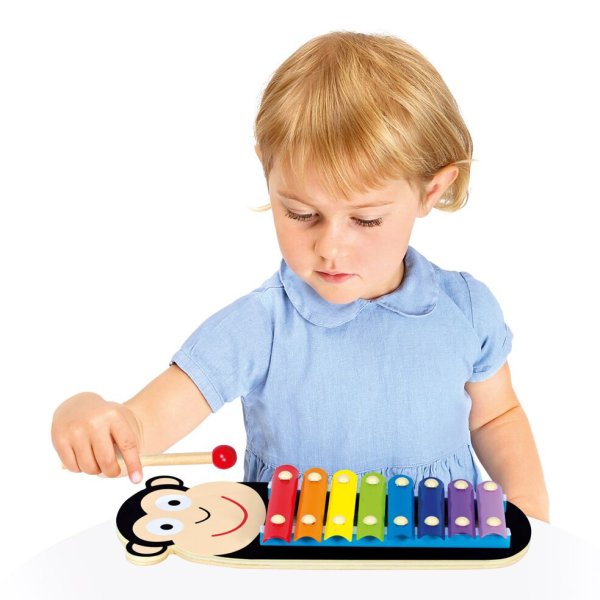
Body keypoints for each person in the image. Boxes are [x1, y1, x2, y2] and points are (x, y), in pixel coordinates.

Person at [51, 31, 549, 522]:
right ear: (267, 172)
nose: (330, 248)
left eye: (366, 219)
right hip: (295, 556)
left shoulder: (466, 308)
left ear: (431, 191)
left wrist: (529, 508)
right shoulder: (260, 326)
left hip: (441, 550)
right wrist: (90, 416)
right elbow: (144, 423)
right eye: (301, 214)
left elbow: (496, 415)